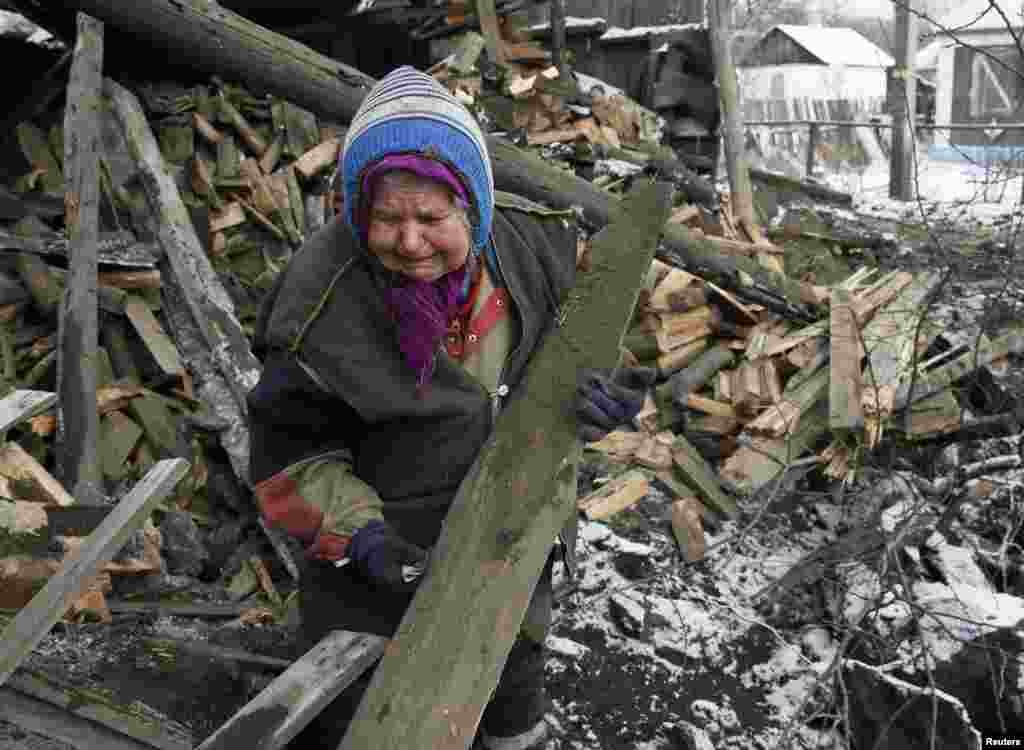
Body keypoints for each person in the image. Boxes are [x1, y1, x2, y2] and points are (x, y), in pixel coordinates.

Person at [248, 65, 651, 750]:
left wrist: (612, 392)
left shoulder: (538, 249)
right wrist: (361, 537)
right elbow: (292, 454)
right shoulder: (319, 303)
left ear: (474, 208)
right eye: (386, 217)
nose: (410, 242)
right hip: (379, 568)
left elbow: (598, 347)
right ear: (356, 210)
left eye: (432, 218)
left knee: (510, 676)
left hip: (516, 538)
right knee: (370, 714)